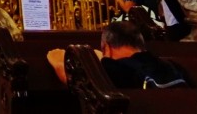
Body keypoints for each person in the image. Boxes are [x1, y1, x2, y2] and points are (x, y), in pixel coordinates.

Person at [47, 21, 189, 88]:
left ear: (107, 47)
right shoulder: (172, 66)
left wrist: (57, 62)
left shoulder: (110, 69)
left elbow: (74, 82)